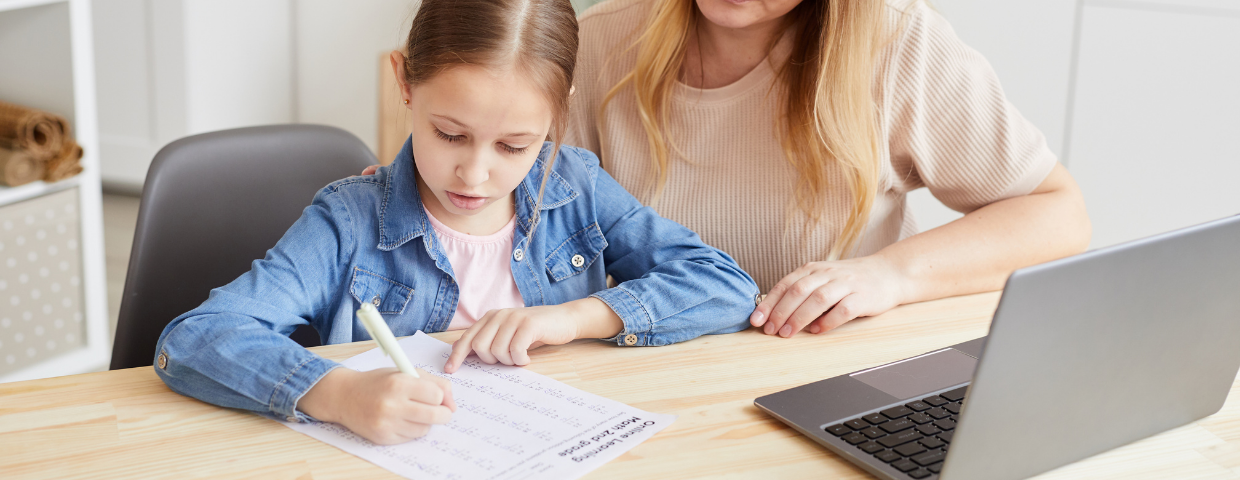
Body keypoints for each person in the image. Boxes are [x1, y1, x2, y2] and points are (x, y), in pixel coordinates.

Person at [152, 0, 757, 446]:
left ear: (558, 110)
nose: (474, 174)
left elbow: (726, 287)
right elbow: (194, 340)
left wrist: (572, 317)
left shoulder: (575, 186)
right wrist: (336, 394)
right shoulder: (347, 220)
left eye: (515, 145)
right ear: (404, 83)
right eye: (450, 135)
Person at [566, 0, 1091, 338]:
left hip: (834, 372)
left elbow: (1058, 214)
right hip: (656, 369)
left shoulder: (900, 41)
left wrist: (890, 274)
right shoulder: (595, 42)